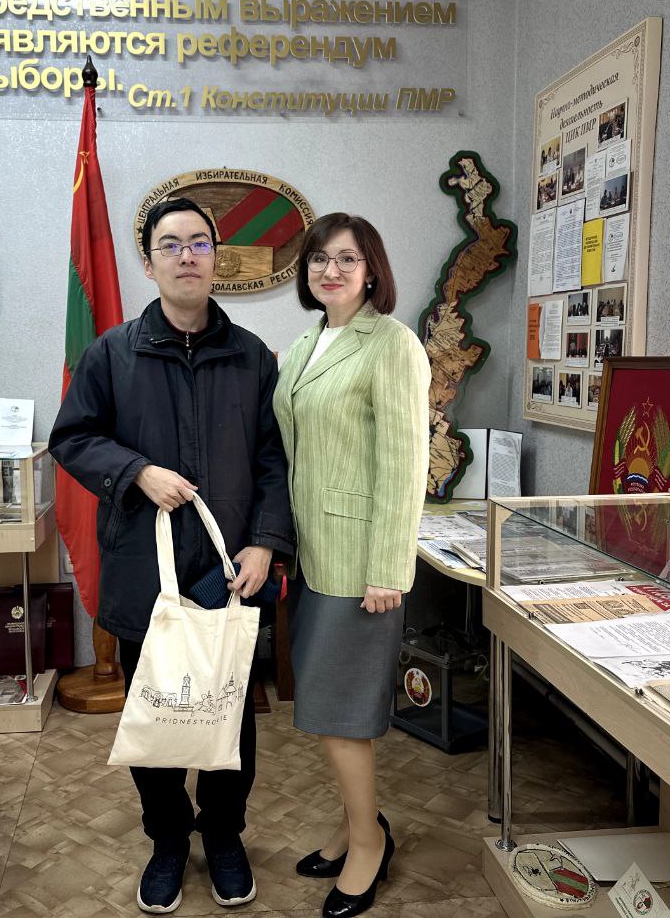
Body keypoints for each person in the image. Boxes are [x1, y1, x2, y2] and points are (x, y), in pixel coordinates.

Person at [49, 196, 293, 914]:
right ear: (149, 262)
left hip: (226, 572)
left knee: (231, 715)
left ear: (216, 259)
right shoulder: (112, 353)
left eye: (199, 243)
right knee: (154, 716)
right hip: (142, 569)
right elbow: (72, 438)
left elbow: (274, 461)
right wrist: (136, 472)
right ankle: (167, 841)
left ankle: (223, 835)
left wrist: (265, 542)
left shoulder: (252, 357)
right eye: (171, 244)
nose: (187, 255)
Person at [273, 213, 428, 918]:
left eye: (346, 259)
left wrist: (389, 567)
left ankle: (369, 843)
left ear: (371, 271)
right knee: (324, 707)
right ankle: (354, 825)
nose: (329, 271)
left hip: (362, 563)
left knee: (341, 716)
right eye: (318, 259)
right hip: (312, 556)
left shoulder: (392, 343)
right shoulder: (307, 343)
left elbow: (405, 463)